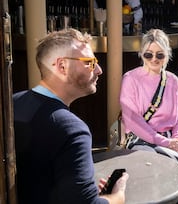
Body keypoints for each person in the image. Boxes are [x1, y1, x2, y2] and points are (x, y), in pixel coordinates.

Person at [13, 29, 128, 204]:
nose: (99, 70)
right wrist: (117, 196)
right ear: (62, 66)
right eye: (89, 62)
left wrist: (81, 188)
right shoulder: (72, 130)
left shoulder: (12, 103)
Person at [119, 29, 178, 204]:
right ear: (141, 54)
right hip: (140, 139)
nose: (154, 59)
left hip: (169, 138)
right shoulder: (130, 79)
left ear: (167, 55)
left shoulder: (173, 81)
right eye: (148, 54)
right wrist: (166, 143)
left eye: (159, 55)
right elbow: (133, 120)